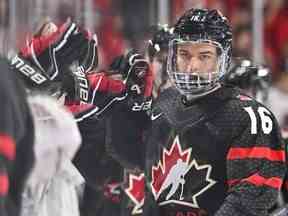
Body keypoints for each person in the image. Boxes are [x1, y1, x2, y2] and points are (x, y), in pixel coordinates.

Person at [141, 8, 286, 216]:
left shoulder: (247, 116)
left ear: (223, 59)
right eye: (184, 54)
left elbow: (249, 197)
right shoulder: (163, 105)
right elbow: (152, 191)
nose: (192, 67)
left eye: (204, 56)